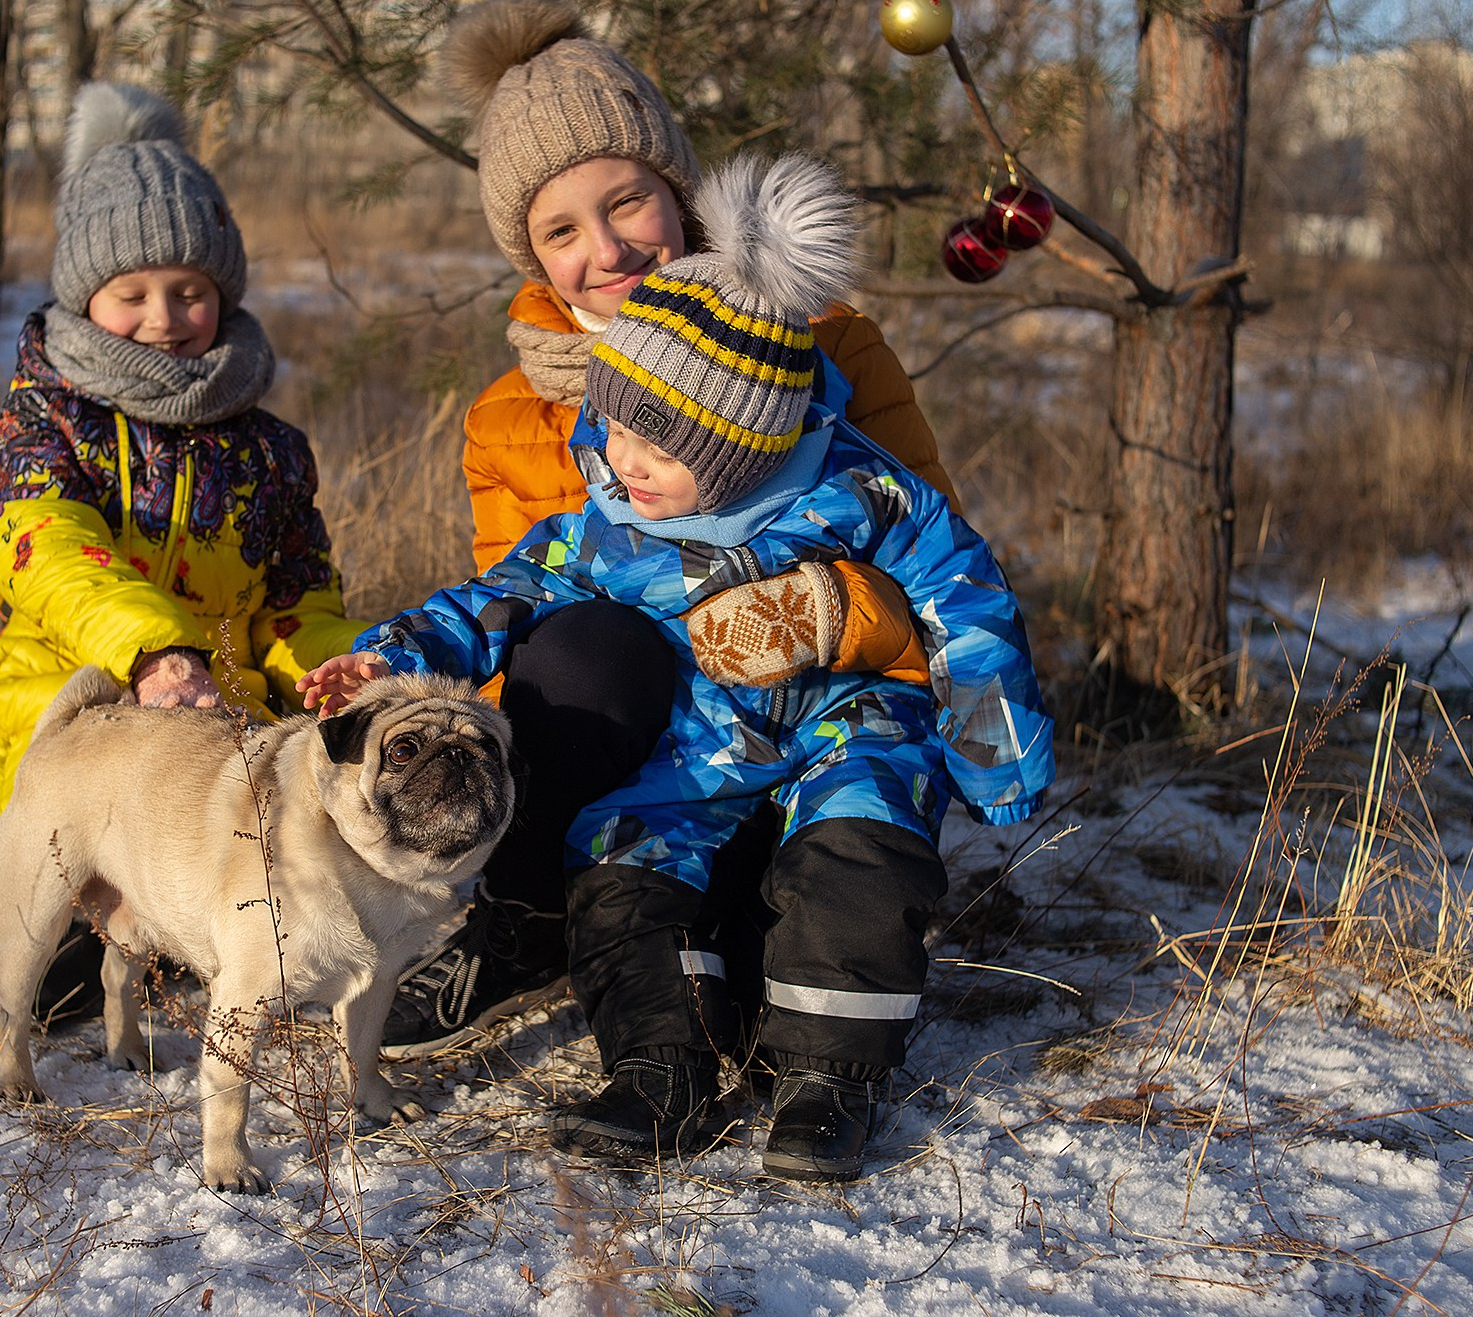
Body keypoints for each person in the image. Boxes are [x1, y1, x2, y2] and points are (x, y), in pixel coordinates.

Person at [302, 153, 1056, 1183]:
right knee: (616, 862)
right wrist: (392, 657)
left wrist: (993, 752)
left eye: (658, 445)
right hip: (696, 745)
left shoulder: (864, 493)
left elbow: (964, 603)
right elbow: (496, 596)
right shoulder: (614, 512)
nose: (622, 460)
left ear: (744, 449)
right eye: (614, 426)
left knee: (855, 865)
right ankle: (658, 1068)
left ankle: (827, 1080)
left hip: (849, 728)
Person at [378, 0, 967, 1055]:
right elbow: (520, 628)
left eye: (626, 202)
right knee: (579, 641)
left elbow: (930, 544)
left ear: (676, 189)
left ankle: (765, 901)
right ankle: (522, 918)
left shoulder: (822, 342)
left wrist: (835, 611)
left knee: (750, 990)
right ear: (528, 254)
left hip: (798, 714)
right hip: (629, 742)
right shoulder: (508, 414)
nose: (604, 248)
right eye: (559, 228)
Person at [0, 81, 371, 1023]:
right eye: (133, 293)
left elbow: (298, 596)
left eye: (189, 291)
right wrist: (154, 652)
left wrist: (336, 668)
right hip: (62, 713)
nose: (163, 316)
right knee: (11, 990)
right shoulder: (46, 416)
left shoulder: (269, 446)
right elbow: (47, 547)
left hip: (215, 735)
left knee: (312, 936)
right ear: (86, 296)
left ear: (222, 293)